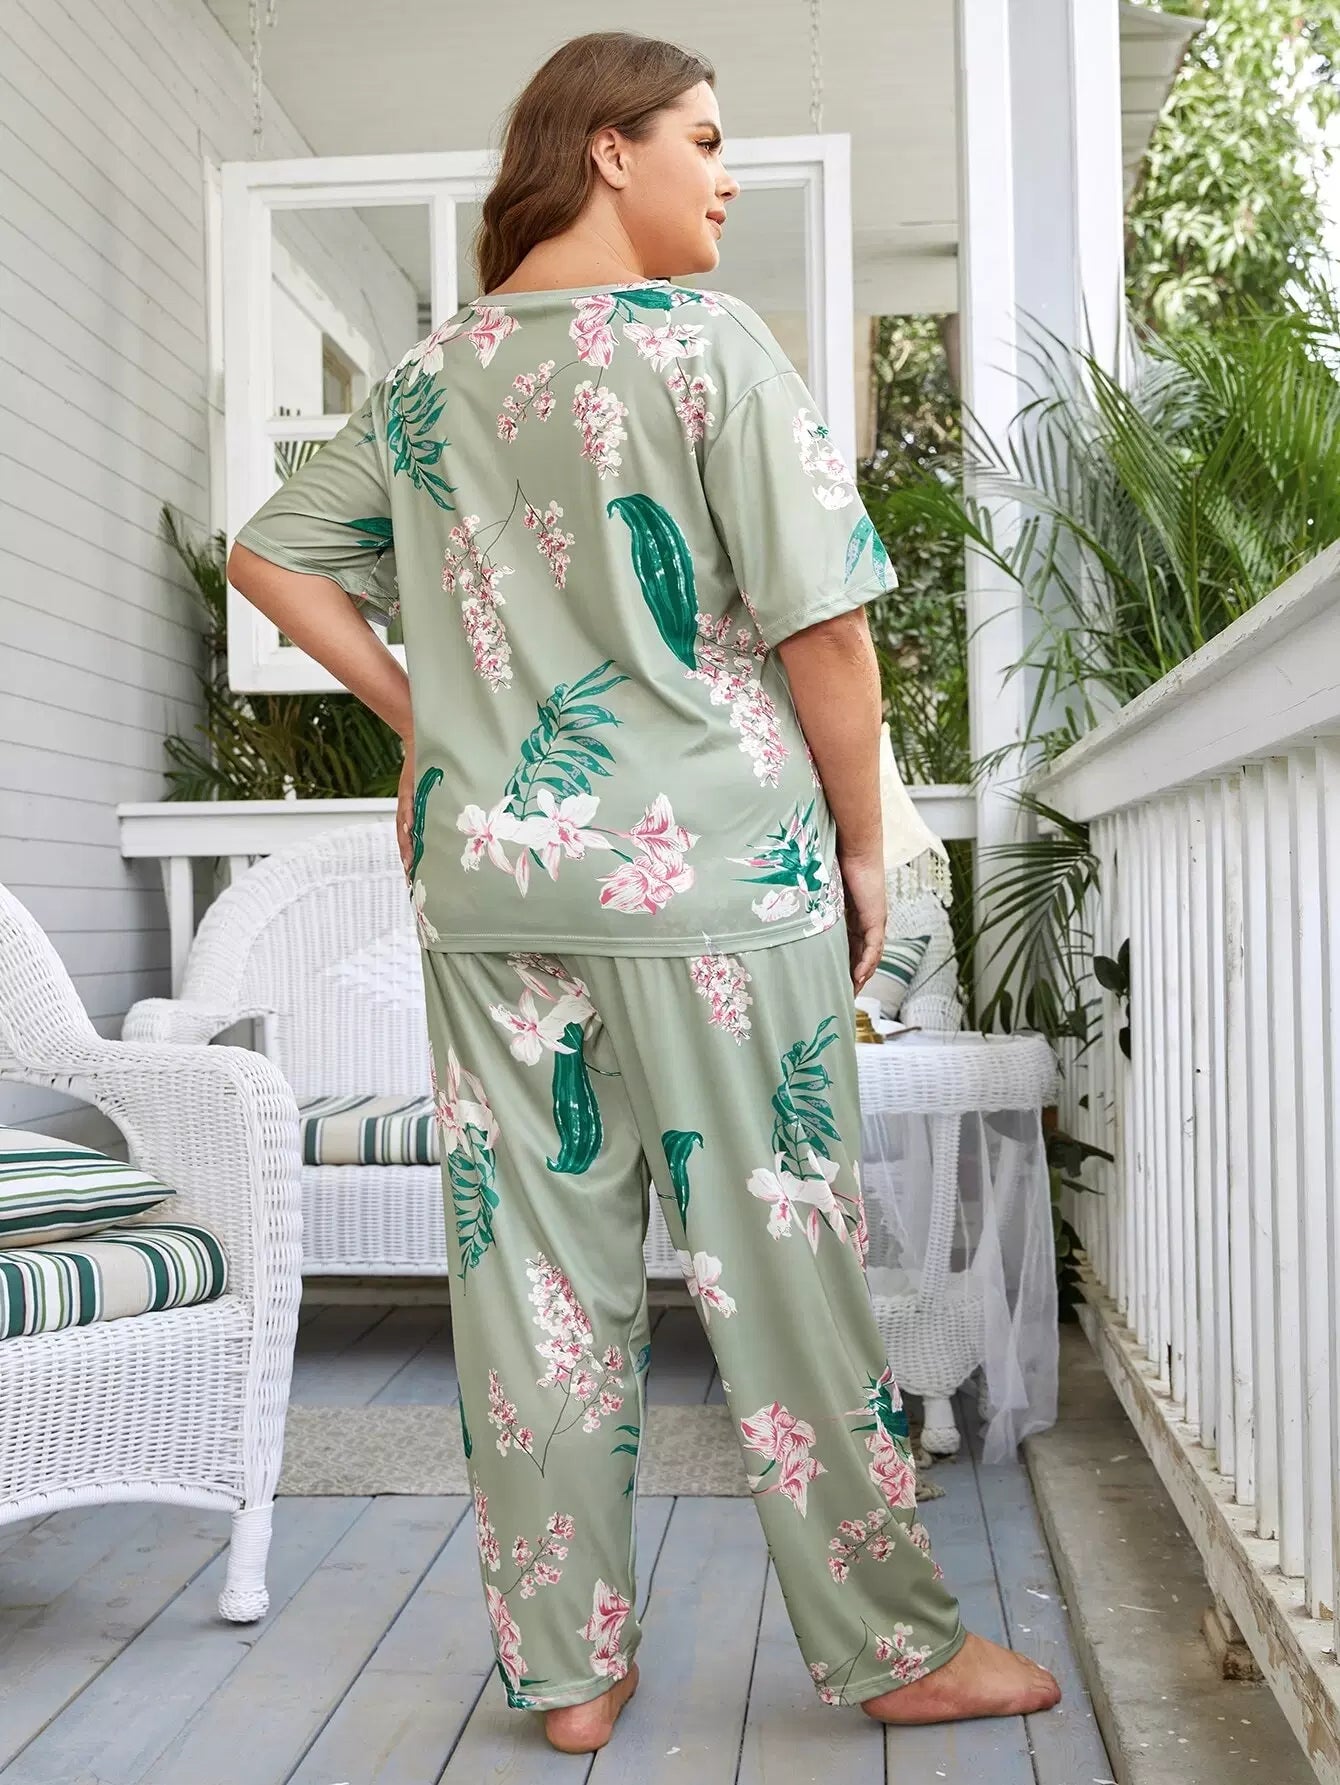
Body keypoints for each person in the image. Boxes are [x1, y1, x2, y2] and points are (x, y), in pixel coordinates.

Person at [227, 29, 1061, 1757]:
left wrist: (423, 716)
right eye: (704, 138)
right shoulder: (709, 349)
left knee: (531, 1277)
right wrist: (863, 845)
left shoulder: (432, 373)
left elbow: (271, 555)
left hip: (494, 883)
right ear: (608, 149)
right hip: (715, 879)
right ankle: (891, 1645)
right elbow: (828, 629)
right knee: (781, 1257)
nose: (726, 177)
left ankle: (570, 1674)